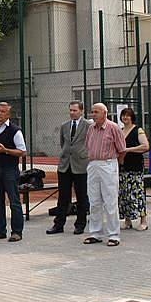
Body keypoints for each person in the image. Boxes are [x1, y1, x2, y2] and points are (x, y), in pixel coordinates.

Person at [83, 103, 126, 247]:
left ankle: (114, 235)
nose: (93, 114)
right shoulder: (90, 128)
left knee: (110, 200)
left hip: (108, 164)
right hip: (93, 164)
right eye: (92, 112)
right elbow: (88, 146)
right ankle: (95, 233)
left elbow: (122, 149)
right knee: (94, 200)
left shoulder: (113, 128)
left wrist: (115, 165)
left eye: (96, 112)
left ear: (105, 113)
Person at [47, 101, 91, 235]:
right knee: (63, 197)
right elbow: (63, 143)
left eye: (75, 110)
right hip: (65, 165)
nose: (72, 113)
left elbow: (90, 142)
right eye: (71, 110)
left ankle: (80, 224)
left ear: (81, 111)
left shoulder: (88, 125)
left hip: (81, 165)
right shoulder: (64, 126)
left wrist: (83, 154)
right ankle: (58, 224)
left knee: (82, 196)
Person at [0, 102, 27, 242]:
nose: (0, 113)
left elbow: (22, 151)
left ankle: (17, 232)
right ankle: (0, 230)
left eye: (3, 111)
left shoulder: (15, 130)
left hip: (10, 169)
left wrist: (6, 150)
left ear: (8, 114)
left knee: (14, 201)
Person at [118, 107, 150, 231]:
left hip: (135, 167)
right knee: (124, 194)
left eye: (128, 115)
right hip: (123, 167)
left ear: (132, 117)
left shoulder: (138, 130)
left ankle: (143, 220)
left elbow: (145, 146)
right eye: (123, 115)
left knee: (137, 194)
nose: (125, 118)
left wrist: (128, 150)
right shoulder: (120, 131)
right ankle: (127, 220)